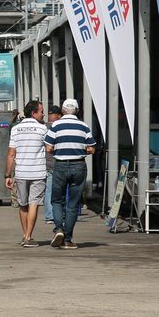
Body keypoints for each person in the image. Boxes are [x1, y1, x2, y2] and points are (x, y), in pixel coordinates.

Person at [45, 99, 96, 250]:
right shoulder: (83, 126)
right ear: (77, 110)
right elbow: (92, 149)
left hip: (60, 165)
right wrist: (80, 150)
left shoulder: (56, 125)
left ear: (62, 110)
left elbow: (48, 148)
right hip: (79, 165)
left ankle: (58, 229)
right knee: (73, 203)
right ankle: (68, 239)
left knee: (57, 200)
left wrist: (59, 150)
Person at [5, 100, 48, 248]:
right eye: (41, 111)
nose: (43, 114)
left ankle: (26, 235)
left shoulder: (16, 129)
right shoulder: (43, 129)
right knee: (34, 204)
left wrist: (7, 175)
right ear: (33, 113)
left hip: (21, 172)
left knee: (23, 205)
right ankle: (28, 236)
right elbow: (49, 149)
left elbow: (11, 154)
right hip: (38, 172)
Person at [43, 105, 63, 224]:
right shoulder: (59, 128)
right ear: (59, 116)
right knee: (60, 190)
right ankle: (58, 214)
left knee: (49, 190)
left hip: (47, 163)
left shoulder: (43, 127)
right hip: (59, 162)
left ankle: (50, 215)